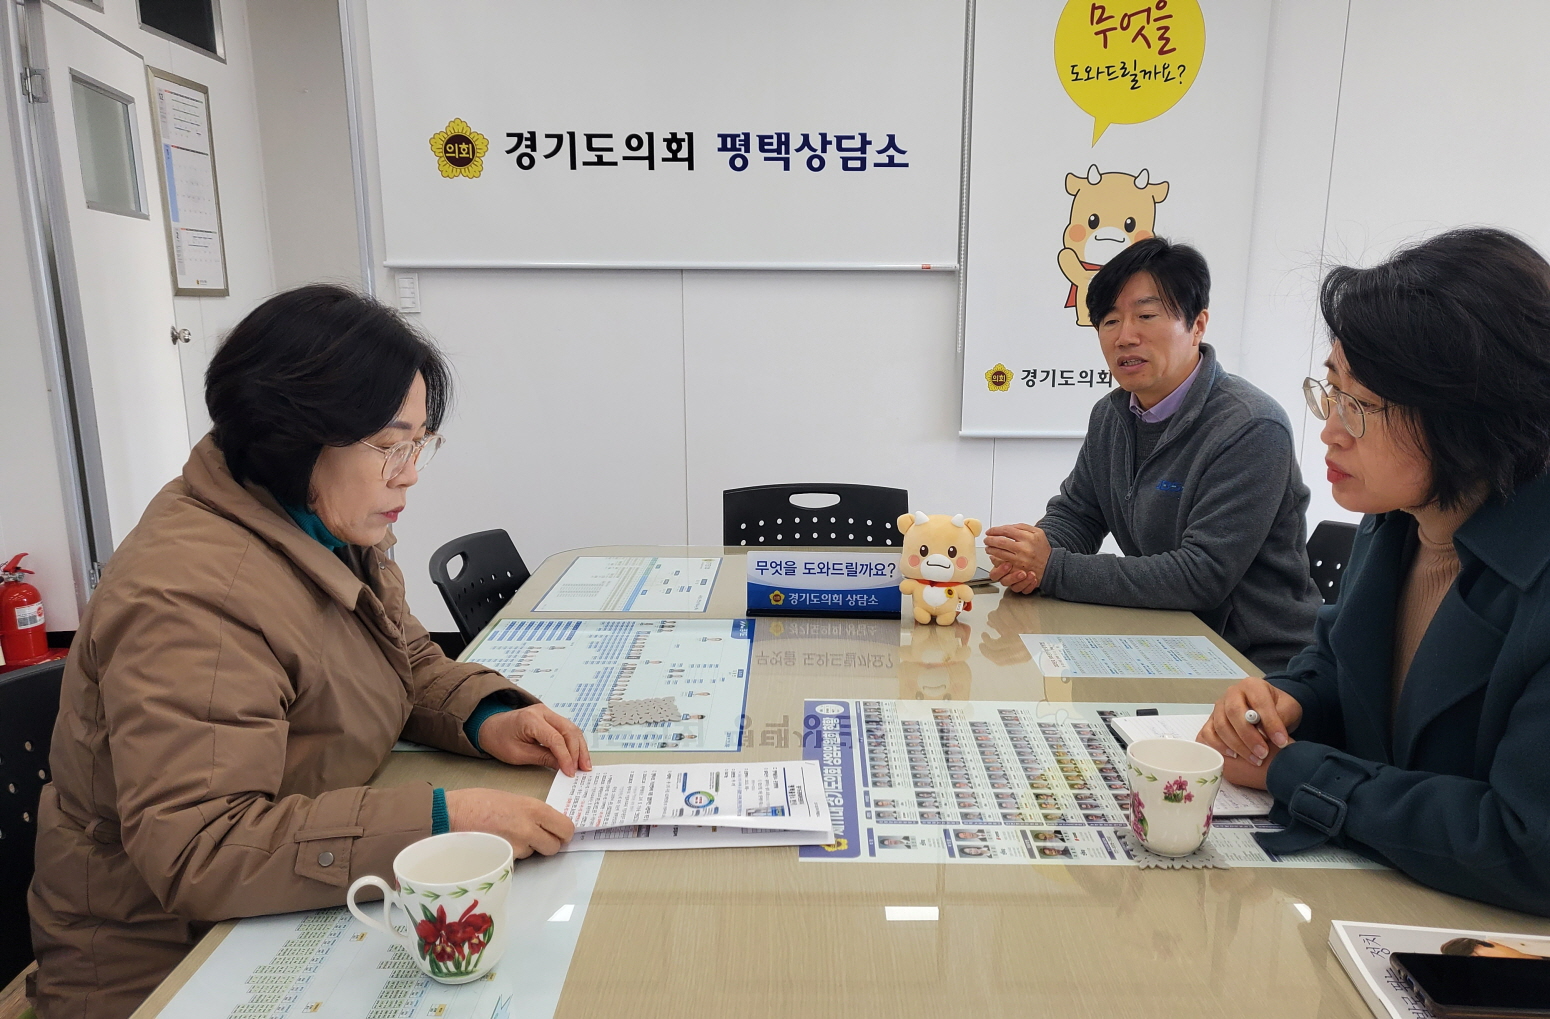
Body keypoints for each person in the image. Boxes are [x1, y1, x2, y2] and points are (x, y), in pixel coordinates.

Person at [29, 285, 593, 1019]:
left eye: (419, 443)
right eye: (391, 445)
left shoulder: (316, 520)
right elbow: (202, 847)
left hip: (281, 903)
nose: (411, 472)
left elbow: (404, 657)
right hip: (166, 966)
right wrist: (441, 821)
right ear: (294, 433)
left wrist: (484, 713)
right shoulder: (193, 594)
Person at [1198, 228, 1550, 916]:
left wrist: (1290, 766)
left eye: (1360, 405)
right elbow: (1340, 661)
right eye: (1330, 390)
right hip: (1371, 899)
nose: (1331, 428)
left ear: (1469, 415)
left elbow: (1525, 842)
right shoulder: (1398, 520)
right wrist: (1284, 700)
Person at [984, 237, 1321, 673]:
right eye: (1109, 321)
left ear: (1197, 325)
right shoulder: (1111, 414)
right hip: (1161, 640)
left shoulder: (1250, 425)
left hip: (1251, 660)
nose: (1125, 336)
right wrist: (1032, 557)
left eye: (1146, 315)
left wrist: (1054, 569)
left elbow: (1201, 576)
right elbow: (1079, 514)